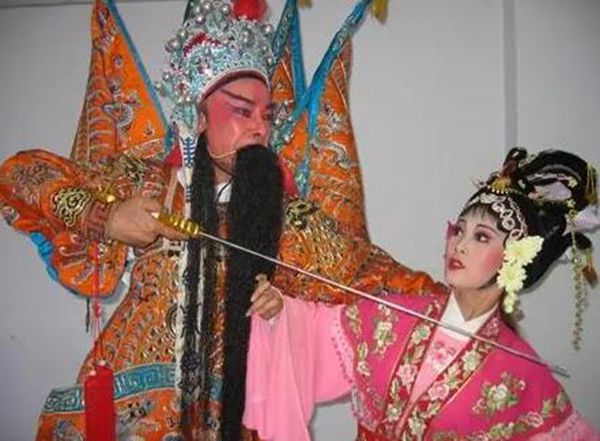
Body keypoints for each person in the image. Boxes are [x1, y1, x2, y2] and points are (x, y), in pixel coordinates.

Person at [0, 0, 441, 440]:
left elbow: (371, 277)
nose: (260, 130)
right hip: (126, 411)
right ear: (197, 116)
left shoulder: (286, 220)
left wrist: (455, 305)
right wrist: (107, 215)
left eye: (266, 117)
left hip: (228, 418)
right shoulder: (146, 183)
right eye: (242, 111)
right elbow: (20, 175)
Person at [244, 147, 600, 440]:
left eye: (481, 237)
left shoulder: (522, 372)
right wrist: (278, 311)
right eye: (459, 230)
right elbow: (313, 333)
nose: (460, 244)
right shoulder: (392, 317)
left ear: (513, 260)